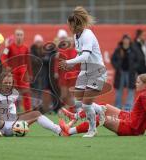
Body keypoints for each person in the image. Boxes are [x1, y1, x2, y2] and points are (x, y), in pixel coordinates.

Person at [0, 71, 67, 137]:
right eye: (6, 82)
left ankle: (59, 131)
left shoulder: (15, 94)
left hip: (11, 126)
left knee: (36, 114)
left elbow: (12, 110)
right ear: (0, 83)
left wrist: (18, 123)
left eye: (10, 83)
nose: (8, 85)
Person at [60, 74, 146, 137]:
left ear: (145, 84)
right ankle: (75, 117)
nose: (136, 84)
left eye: (138, 82)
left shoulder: (145, 96)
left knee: (101, 117)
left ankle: (69, 131)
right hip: (129, 119)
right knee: (104, 106)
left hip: (131, 127)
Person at [59, 6, 107, 137]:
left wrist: (68, 62)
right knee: (79, 102)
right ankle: (99, 109)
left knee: (86, 106)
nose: (69, 27)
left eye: (70, 25)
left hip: (97, 71)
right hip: (85, 71)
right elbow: (80, 55)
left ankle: (92, 129)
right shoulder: (76, 36)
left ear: (75, 24)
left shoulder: (88, 35)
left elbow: (85, 56)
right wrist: (71, 64)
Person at [1, 29, 32, 112]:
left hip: (23, 74)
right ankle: (12, 112)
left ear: (23, 36)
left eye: (21, 35)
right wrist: (6, 66)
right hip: (13, 74)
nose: (19, 36)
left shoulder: (26, 48)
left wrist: (30, 74)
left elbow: (28, 61)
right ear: (15, 36)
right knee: (12, 93)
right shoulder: (9, 47)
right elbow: (3, 57)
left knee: (26, 93)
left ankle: (28, 112)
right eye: (17, 35)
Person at [111, 34, 138, 111]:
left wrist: (134, 67)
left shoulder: (133, 50)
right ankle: (118, 107)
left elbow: (138, 60)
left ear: (129, 41)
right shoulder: (118, 49)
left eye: (127, 39)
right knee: (119, 90)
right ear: (122, 40)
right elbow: (113, 59)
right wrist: (117, 66)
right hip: (120, 72)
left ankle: (128, 108)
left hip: (130, 73)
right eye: (125, 39)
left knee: (130, 90)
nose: (126, 41)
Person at [54, 29, 79, 109]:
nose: (71, 43)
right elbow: (57, 62)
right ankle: (63, 107)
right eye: (69, 41)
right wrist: (56, 72)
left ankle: (69, 109)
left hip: (73, 76)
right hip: (63, 75)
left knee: (71, 93)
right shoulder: (61, 50)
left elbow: (78, 64)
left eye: (72, 41)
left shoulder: (76, 52)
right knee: (64, 94)